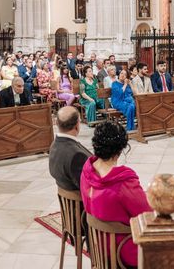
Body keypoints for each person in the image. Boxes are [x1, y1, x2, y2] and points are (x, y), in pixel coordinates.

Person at [80, 121, 152, 267]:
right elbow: (147, 216)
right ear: (120, 150)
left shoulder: (86, 172)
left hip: (99, 247)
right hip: (123, 253)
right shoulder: (123, 182)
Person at [49, 106, 92, 190]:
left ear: (57, 123)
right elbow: (88, 186)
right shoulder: (76, 155)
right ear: (77, 125)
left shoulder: (54, 144)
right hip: (82, 200)